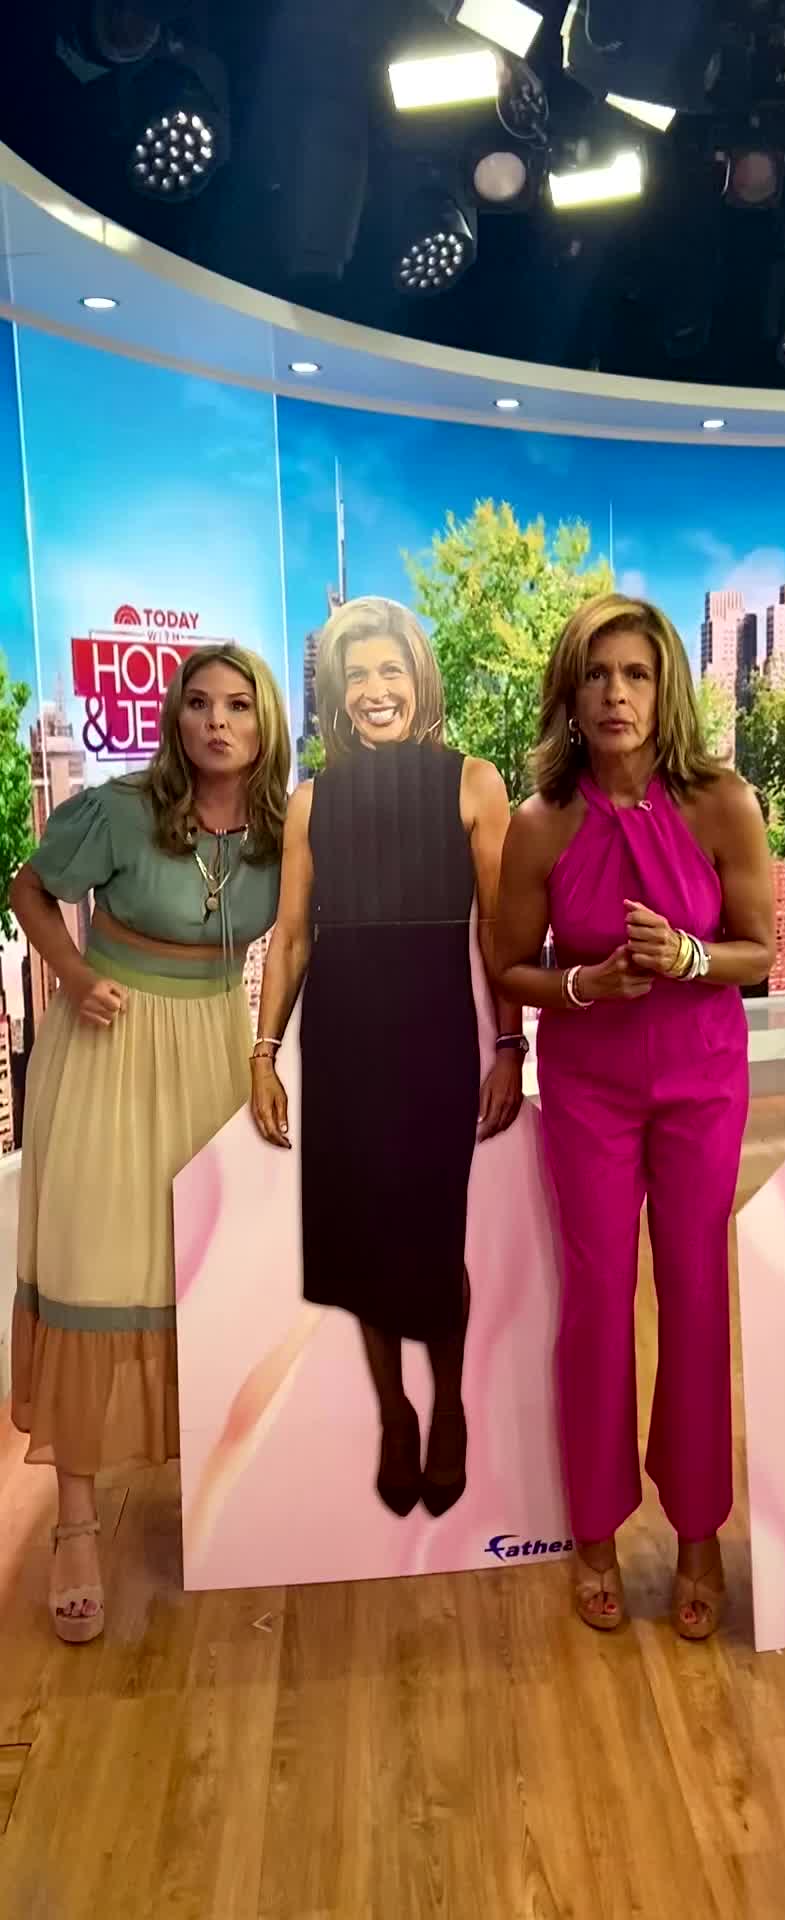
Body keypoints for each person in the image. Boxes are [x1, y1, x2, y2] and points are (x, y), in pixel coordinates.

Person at [495, 592, 774, 1639]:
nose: (616, 694)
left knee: (696, 1296)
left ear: (666, 692)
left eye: (637, 675)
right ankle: (595, 1530)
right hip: (589, 1089)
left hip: (704, 1079)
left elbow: (755, 949)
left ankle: (699, 1529)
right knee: (598, 1302)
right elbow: (510, 965)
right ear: (569, 694)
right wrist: (586, 986)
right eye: (597, 675)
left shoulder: (722, 803)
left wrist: (690, 957)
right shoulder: (539, 824)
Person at [10, 645, 289, 1643]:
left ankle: (211, 1492)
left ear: (265, 725)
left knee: (201, 1273)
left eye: (238, 706)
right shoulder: (121, 811)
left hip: (213, 1052)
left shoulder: (283, 831)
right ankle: (75, 1524)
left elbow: (303, 940)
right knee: (97, 1266)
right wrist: (74, 976)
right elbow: (29, 889)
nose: (217, 721)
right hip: (111, 1048)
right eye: (199, 703)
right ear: (175, 718)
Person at [250, 597, 523, 1519]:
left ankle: (448, 1408)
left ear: (419, 682)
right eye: (357, 675)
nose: (375, 690)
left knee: (433, 1238)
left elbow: (501, 932)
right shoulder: (311, 801)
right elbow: (292, 937)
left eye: (391, 671)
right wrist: (264, 1051)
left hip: (433, 1038)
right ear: (336, 692)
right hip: (341, 1043)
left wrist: (509, 1044)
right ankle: (394, 1415)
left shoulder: (473, 782)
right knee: (361, 1241)